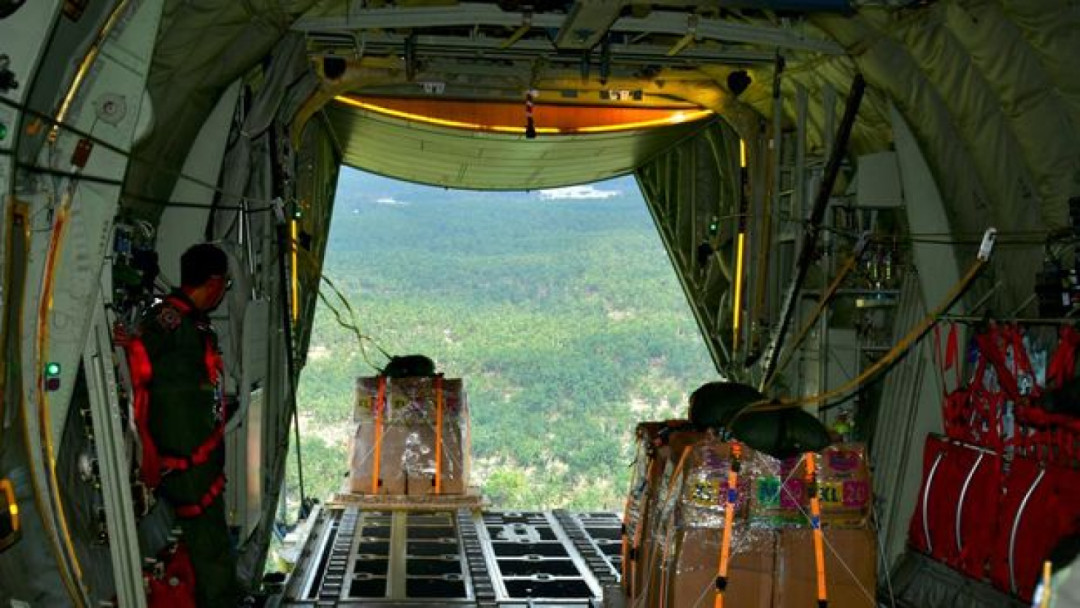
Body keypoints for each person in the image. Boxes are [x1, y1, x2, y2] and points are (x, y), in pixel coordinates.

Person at [136, 243, 238, 606]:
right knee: (208, 541)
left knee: (207, 538)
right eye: (225, 284)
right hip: (186, 460)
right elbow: (138, 362)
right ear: (213, 282)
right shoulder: (170, 321)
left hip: (197, 455)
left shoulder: (189, 321)